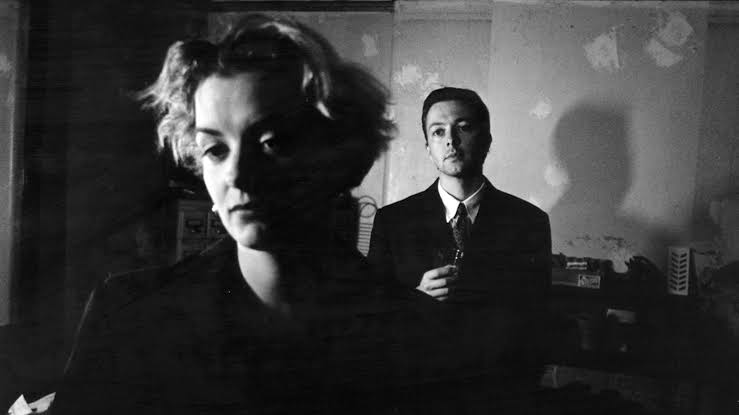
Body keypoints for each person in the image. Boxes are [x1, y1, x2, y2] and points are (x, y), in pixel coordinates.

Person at [52, 15, 447, 415]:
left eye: (272, 143)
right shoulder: (128, 316)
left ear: (339, 155)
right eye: (215, 150)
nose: (238, 175)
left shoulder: (416, 335)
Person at [368, 86, 552, 410]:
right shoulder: (392, 221)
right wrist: (416, 298)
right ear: (428, 148)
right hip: (416, 396)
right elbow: (371, 316)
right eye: (438, 132)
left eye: (463, 127)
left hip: (497, 399)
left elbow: (537, 321)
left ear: (487, 140)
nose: (450, 141)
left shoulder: (529, 222)